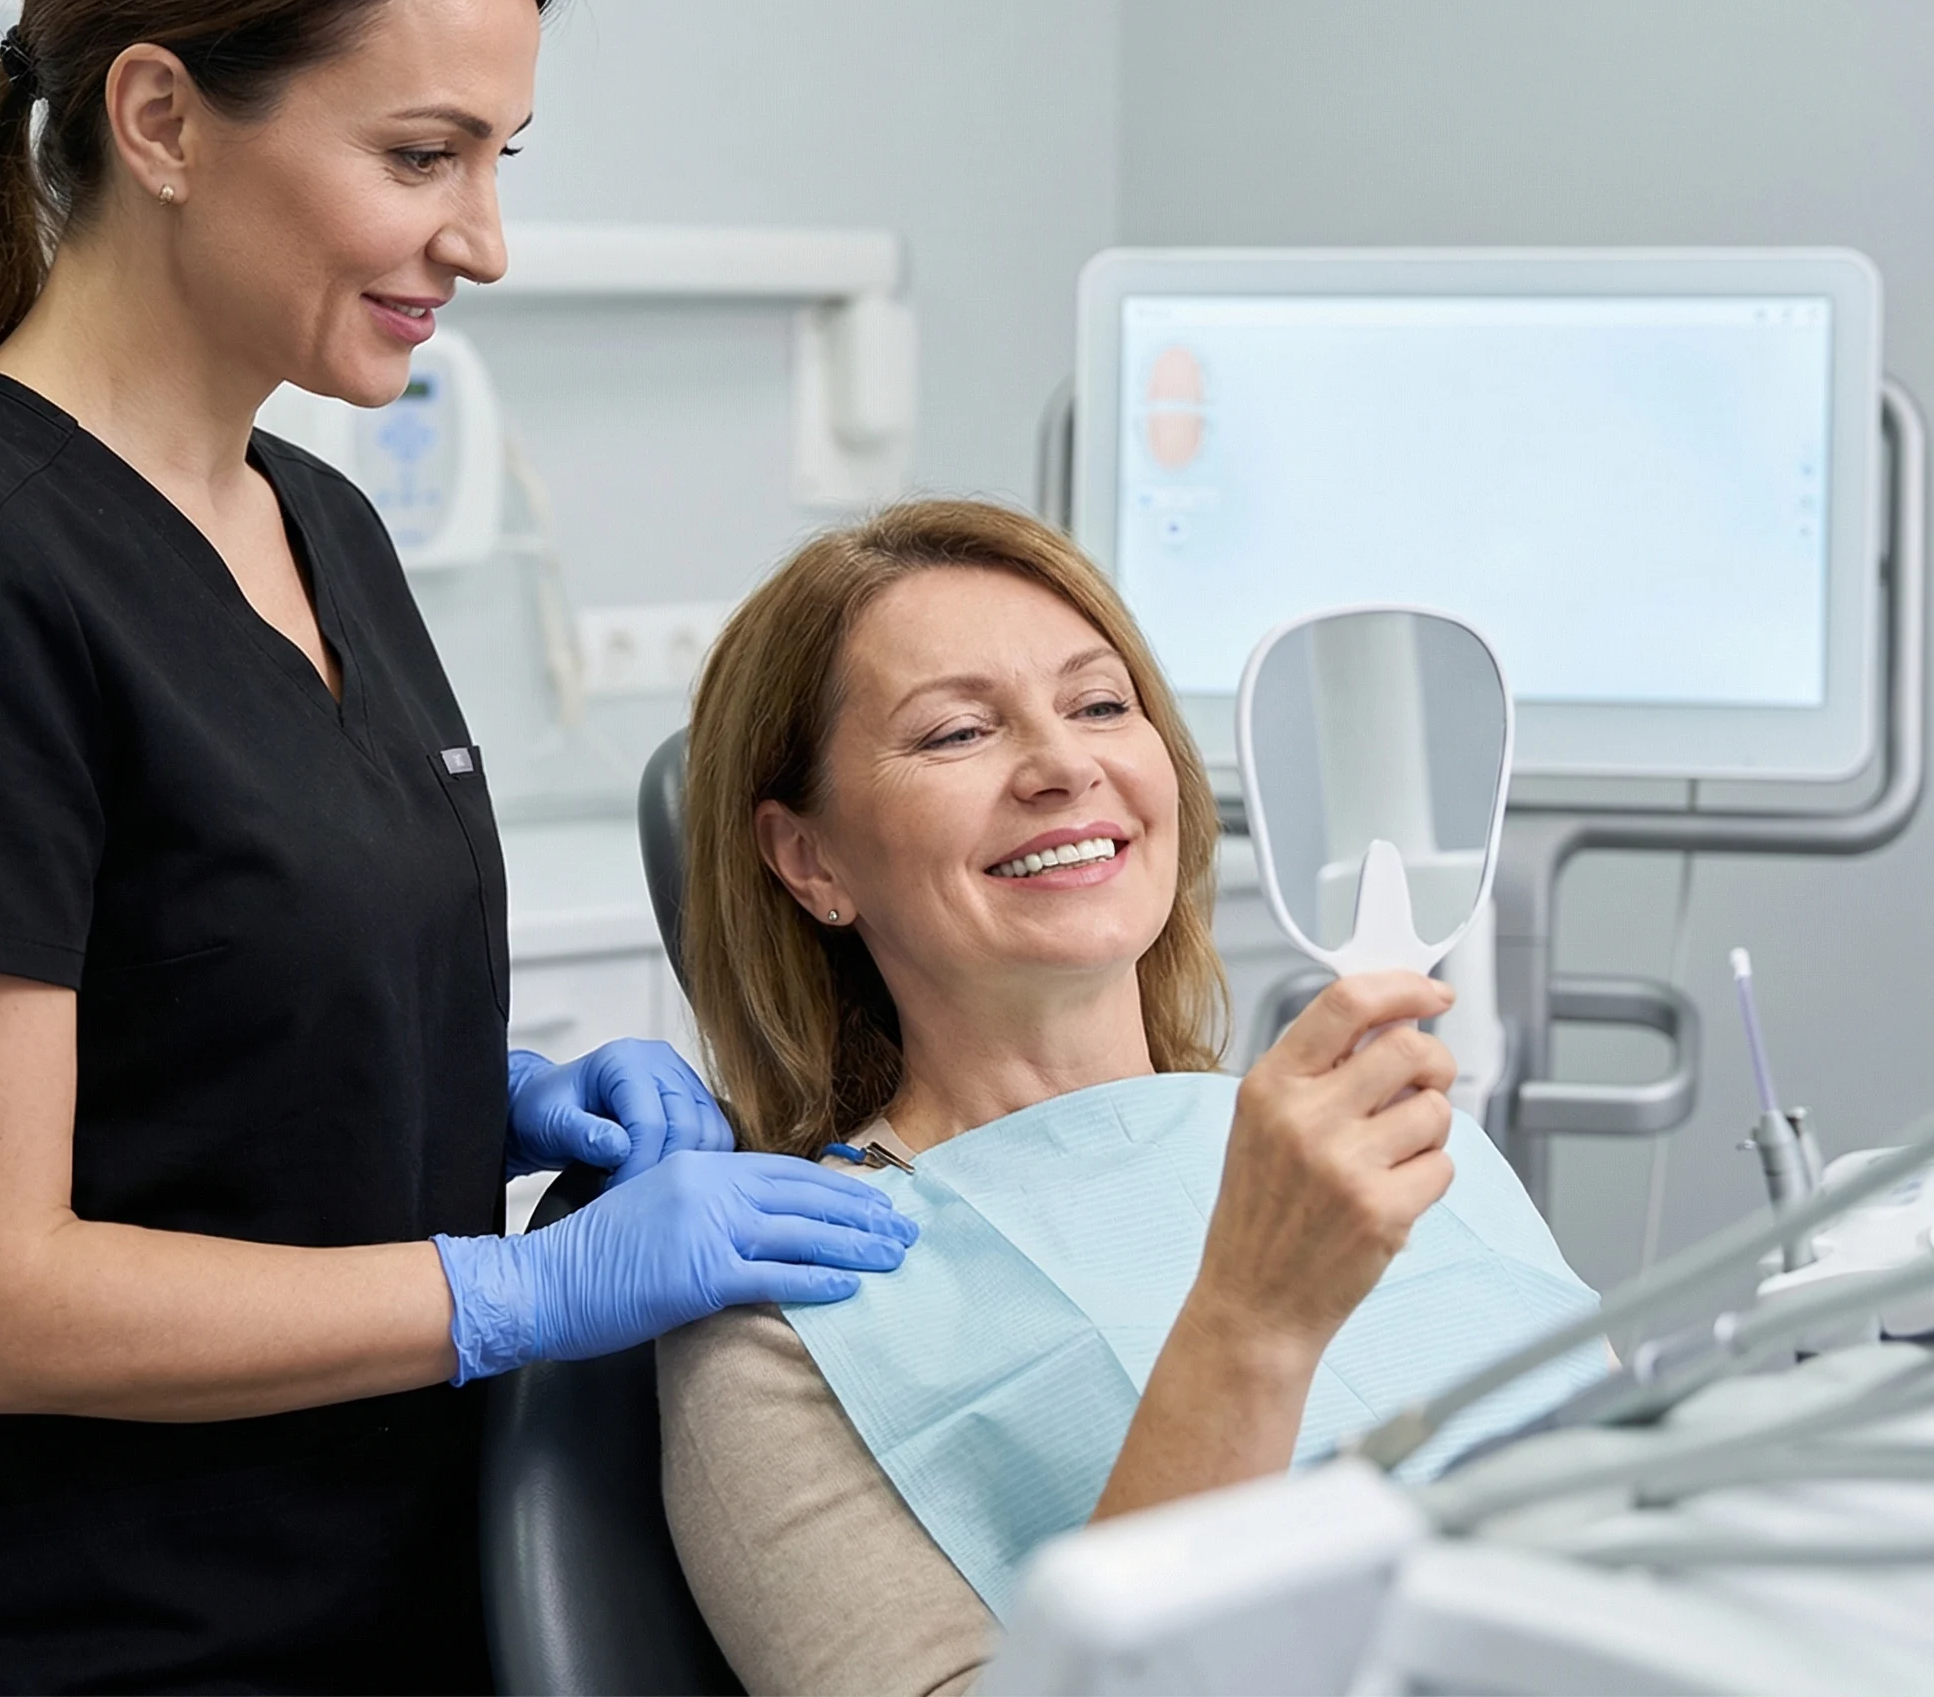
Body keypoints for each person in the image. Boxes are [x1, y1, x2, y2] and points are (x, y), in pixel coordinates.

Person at [0, 0, 914, 1696]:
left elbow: (207, 994)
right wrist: (518, 1287)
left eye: (500, 163)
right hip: (122, 1640)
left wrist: (492, 1089)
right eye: (420, 155)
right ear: (164, 116)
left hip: (407, 1590)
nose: (484, 239)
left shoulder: (321, 522)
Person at [658, 499, 1603, 1696]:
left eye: (1101, 703)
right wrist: (1251, 1321)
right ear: (810, 859)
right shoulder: (776, 1319)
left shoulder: (1372, 1143)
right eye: (955, 732)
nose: (1064, 765)